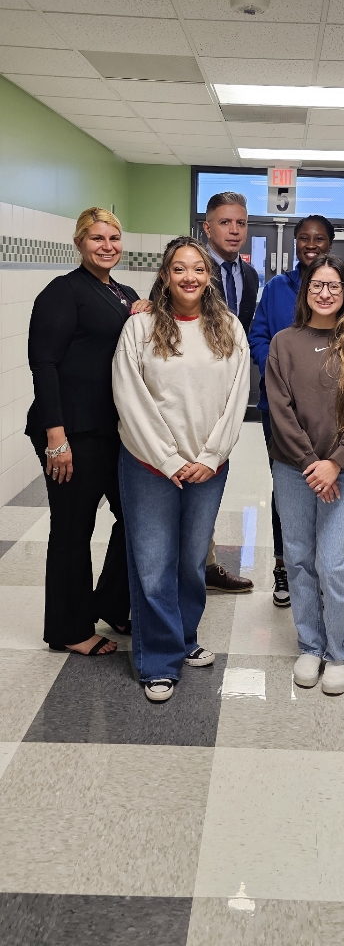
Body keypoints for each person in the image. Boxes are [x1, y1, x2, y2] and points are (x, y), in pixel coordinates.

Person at [113, 236, 250, 702]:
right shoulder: (141, 327)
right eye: (179, 269)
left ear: (208, 276)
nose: (189, 277)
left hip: (207, 470)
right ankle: (158, 661)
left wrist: (210, 458)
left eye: (197, 268)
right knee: (153, 567)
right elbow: (130, 399)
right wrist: (168, 459)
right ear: (165, 276)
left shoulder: (228, 328)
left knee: (192, 563)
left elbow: (236, 399)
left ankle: (184, 639)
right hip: (149, 467)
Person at [266, 255, 344, 696]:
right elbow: (279, 409)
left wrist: (335, 461)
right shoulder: (284, 342)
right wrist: (309, 463)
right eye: (317, 285)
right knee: (298, 559)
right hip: (294, 470)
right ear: (305, 291)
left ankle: (338, 652)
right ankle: (310, 645)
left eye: (334, 286)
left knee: (333, 564)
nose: (324, 293)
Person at [26, 207, 143, 656]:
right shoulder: (62, 293)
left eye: (114, 237)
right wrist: (57, 438)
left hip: (111, 429)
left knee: (134, 518)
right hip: (71, 431)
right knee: (73, 528)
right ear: (79, 242)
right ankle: (69, 629)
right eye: (97, 238)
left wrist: (143, 310)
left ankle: (113, 602)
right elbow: (45, 364)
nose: (107, 246)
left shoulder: (121, 291)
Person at [249, 215, 344, 608]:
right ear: (295, 243)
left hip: (333, 412)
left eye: (319, 239)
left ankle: (325, 566)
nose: (310, 244)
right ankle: (287, 566)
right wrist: (281, 371)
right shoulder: (277, 288)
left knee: (329, 482)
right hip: (280, 409)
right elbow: (259, 335)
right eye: (304, 238)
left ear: (330, 244)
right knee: (288, 488)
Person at [202, 191, 259, 594]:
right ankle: (192, 563)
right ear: (208, 227)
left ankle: (202, 561)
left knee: (213, 471)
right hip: (191, 391)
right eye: (225, 222)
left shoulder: (249, 275)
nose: (234, 230)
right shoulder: (193, 266)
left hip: (228, 390)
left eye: (240, 223)